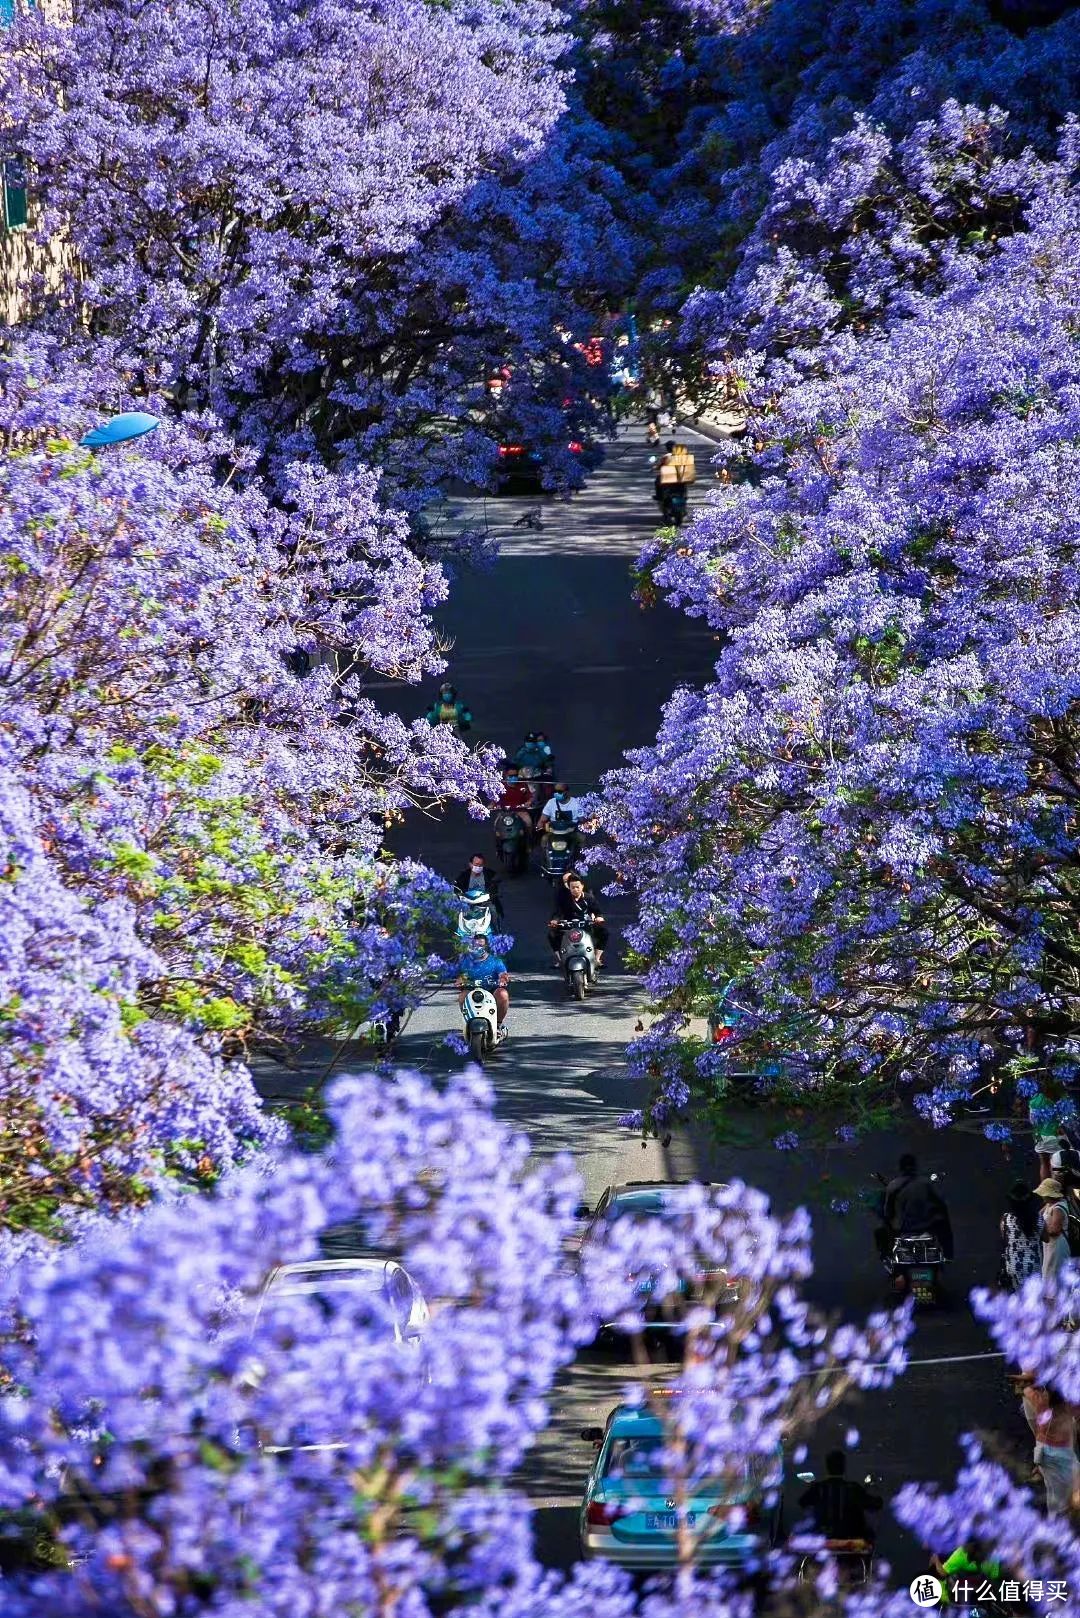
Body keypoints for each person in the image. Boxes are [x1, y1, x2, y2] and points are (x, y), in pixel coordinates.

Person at [1019, 1379, 1079, 1516]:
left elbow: (1026, 1390)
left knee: (1054, 1490)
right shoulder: (1068, 1408)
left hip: (1043, 1452)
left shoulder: (1041, 1404)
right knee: (1068, 1495)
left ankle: (1057, 1516)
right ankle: (1063, 1520)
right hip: (1061, 1457)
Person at [876, 1153, 953, 1261]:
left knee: (880, 1229)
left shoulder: (893, 1186)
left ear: (901, 1168)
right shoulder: (926, 1183)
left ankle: (886, 1255)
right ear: (915, 1167)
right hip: (926, 1227)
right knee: (943, 1220)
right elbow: (940, 1205)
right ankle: (948, 1254)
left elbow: (887, 1213)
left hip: (902, 1229)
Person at [798, 1450, 882, 1544]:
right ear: (843, 1466)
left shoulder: (819, 1488)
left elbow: (803, 1502)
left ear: (827, 1466)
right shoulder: (853, 1488)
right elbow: (874, 1504)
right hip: (851, 1537)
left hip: (823, 1536)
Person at [548, 872, 608, 967]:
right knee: (552, 935)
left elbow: (598, 912)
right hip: (568, 925)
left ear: (582, 886)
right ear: (569, 887)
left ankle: (596, 958)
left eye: (577, 887)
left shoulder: (589, 898)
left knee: (604, 932)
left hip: (586, 924)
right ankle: (560, 959)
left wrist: (599, 918)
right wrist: (555, 921)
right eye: (572, 887)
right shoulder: (563, 898)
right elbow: (558, 912)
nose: (575, 889)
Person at [457, 936, 510, 1031]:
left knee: (503, 994)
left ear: (486, 946)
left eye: (481, 945)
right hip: (473, 990)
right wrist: (460, 981)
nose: (478, 948)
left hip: (491, 989)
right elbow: (463, 976)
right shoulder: (467, 962)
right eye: (475, 945)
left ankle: (498, 1025)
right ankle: (469, 1022)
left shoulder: (495, 961)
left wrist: (503, 980)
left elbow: (503, 974)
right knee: (462, 996)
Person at [1000, 1178, 1042, 1292]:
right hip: (1034, 1266)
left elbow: (1004, 1238)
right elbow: (1046, 1238)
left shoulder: (1006, 1218)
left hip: (1014, 1266)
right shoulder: (1038, 1219)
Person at [1035, 1177, 1071, 1282]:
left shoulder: (1058, 1208)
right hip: (1049, 1245)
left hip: (1057, 1246)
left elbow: (1055, 1230)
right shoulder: (1049, 1205)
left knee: (1055, 1274)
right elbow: (1038, 1216)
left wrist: (1040, 1230)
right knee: (1047, 1271)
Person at [496, 764, 534, 838]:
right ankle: (498, 844)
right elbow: (494, 799)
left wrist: (529, 802)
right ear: (506, 775)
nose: (513, 777)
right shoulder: (500, 786)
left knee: (529, 822)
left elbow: (530, 797)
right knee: (496, 825)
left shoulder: (522, 785)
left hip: (520, 811)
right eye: (511, 776)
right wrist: (492, 805)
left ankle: (529, 843)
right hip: (504, 812)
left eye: (515, 775)